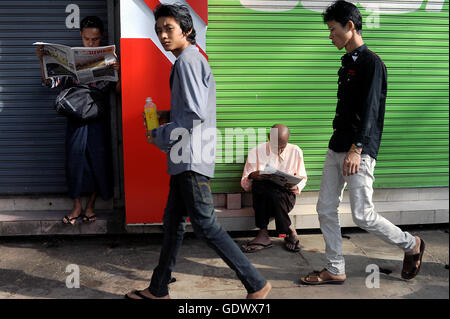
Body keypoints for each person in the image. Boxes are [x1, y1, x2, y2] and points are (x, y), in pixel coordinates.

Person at [125, 4, 271, 299]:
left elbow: (193, 116)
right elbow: (192, 109)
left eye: (169, 29)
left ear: (187, 30)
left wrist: (159, 134)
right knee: (173, 224)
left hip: (190, 158)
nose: (163, 36)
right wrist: (167, 114)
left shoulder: (187, 62)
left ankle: (256, 283)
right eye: (158, 31)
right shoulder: (190, 59)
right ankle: (158, 288)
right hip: (185, 159)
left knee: (205, 225)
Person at [300, 0, 425, 285]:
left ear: (350, 26)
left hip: (358, 151)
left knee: (363, 215)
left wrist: (357, 149)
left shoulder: (372, 63)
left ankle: (411, 244)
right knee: (325, 208)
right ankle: (334, 267)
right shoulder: (347, 63)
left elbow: (370, 111)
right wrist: (341, 148)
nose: (330, 35)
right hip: (336, 146)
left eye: (333, 30)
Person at [36, 16, 121, 225]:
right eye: (86, 40)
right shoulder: (70, 59)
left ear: (101, 38)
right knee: (74, 161)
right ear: (81, 37)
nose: (90, 44)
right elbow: (51, 83)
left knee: (97, 162)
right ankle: (76, 206)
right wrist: (42, 60)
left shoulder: (109, 60)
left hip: (97, 116)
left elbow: (118, 91)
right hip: (75, 116)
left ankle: (90, 206)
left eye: (95, 40)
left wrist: (119, 72)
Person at [240, 124, 307, 253]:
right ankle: (288, 230)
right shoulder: (256, 152)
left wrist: (296, 186)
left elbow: (303, 178)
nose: (280, 151)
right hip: (263, 200)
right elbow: (245, 185)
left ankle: (264, 236)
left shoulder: (295, 151)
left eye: (283, 147)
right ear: (269, 137)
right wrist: (254, 175)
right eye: (277, 147)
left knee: (277, 192)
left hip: (285, 199)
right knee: (261, 185)